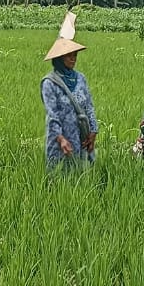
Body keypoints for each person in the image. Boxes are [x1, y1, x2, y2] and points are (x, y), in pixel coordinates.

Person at [41, 11, 98, 170]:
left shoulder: (80, 78)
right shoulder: (49, 83)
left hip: (82, 135)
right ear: (59, 58)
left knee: (82, 173)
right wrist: (60, 139)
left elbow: (89, 106)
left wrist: (93, 131)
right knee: (59, 174)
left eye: (75, 55)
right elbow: (52, 115)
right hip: (60, 138)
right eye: (68, 56)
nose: (73, 59)